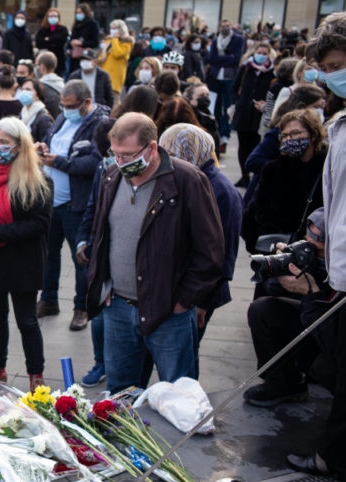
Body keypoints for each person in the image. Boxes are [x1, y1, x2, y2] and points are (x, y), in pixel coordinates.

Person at [86, 113, 224, 391]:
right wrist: (103, 282)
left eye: (127, 155)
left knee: (178, 395)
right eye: (115, 154)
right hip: (118, 309)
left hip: (169, 312)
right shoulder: (112, 176)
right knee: (120, 395)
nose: (120, 162)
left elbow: (211, 250)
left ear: (151, 148)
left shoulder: (187, 180)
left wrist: (184, 301)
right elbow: (101, 233)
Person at [284, 9, 346, 481]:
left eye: (336, 64)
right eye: (324, 67)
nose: (329, 74)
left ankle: (335, 456)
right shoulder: (340, 122)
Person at [0, 117, 53, 391]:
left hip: (22, 260)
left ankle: (36, 376)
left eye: (4, 143)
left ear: (19, 146)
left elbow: (40, 224)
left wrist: (1, 231)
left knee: (27, 320)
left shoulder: (38, 180)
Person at [157, 124, 242, 376]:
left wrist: (201, 303)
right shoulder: (186, 179)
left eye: (173, 151)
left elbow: (223, 256)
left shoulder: (222, 191)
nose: (167, 158)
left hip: (200, 293)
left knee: (185, 355)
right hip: (180, 285)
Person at [35, 80, 109, 331]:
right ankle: (48, 299)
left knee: (81, 259)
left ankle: (82, 307)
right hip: (51, 200)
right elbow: (49, 138)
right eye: (62, 105)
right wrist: (42, 147)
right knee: (47, 253)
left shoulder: (99, 124)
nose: (65, 109)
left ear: (86, 103)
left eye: (70, 106)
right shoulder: (62, 119)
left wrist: (60, 162)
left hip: (76, 203)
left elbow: (95, 163)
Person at [246, 209, 332, 407]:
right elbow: (272, 288)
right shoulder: (310, 261)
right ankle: (283, 383)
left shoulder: (339, 271)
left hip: (333, 337)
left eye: (317, 251)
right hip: (315, 322)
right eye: (306, 244)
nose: (310, 253)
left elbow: (331, 334)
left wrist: (313, 292)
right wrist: (287, 261)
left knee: (324, 367)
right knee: (262, 310)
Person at [244, 109, 327, 253]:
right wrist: (260, 248)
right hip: (276, 254)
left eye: (295, 133)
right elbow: (252, 216)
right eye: (285, 136)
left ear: (313, 135)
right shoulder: (274, 170)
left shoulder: (327, 169)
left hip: (316, 254)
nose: (289, 139)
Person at [231, 42, 275, 187]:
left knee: (256, 144)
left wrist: (265, 105)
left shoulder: (272, 72)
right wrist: (237, 102)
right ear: (254, 52)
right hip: (244, 112)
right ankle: (244, 175)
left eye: (265, 53)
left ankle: (253, 174)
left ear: (269, 55)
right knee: (243, 145)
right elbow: (234, 87)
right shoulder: (246, 68)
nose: (261, 55)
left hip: (259, 115)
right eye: (259, 52)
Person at [208, 19, 246, 153]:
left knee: (227, 107)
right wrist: (227, 58)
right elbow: (212, 59)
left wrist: (222, 59)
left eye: (227, 26)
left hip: (230, 77)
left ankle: (225, 135)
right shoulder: (215, 40)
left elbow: (236, 59)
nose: (225, 28)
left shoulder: (238, 39)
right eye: (223, 26)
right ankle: (218, 133)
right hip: (216, 77)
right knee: (216, 107)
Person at [100, 20, 133, 98]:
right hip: (105, 71)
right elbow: (102, 54)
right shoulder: (108, 40)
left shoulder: (127, 42)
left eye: (115, 28)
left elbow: (117, 53)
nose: (112, 30)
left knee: (114, 98)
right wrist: (100, 59)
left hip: (116, 76)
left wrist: (115, 39)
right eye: (111, 28)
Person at [18, 77, 54, 143]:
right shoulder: (23, 112)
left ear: (37, 94)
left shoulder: (44, 118)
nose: (24, 92)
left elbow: (46, 143)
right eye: (23, 89)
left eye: (28, 89)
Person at [35, 8, 69, 77]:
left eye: (55, 16)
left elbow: (62, 40)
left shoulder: (63, 29)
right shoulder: (42, 30)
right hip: (45, 61)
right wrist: (53, 40)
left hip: (59, 61)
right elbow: (39, 43)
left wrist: (48, 39)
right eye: (51, 16)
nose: (53, 18)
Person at [68, 3, 101, 72]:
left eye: (80, 12)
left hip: (86, 57)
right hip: (74, 57)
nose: (78, 14)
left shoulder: (93, 24)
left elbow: (95, 42)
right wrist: (70, 45)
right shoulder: (76, 24)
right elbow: (72, 38)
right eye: (77, 13)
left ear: (85, 13)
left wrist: (81, 43)